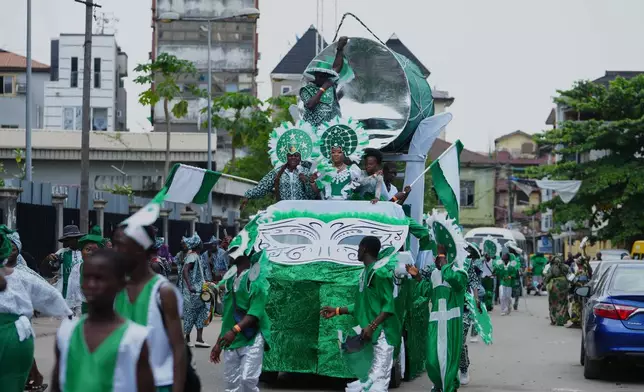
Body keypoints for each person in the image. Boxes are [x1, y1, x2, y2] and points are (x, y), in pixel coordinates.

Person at [52, 249, 155, 392]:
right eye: (86, 277)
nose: (91, 284)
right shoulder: (66, 333)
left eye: (100, 278)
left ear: (121, 284)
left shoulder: (135, 338)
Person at [112, 225, 187, 392]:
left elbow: (178, 347)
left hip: (158, 385)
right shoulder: (117, 289)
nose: (115, 251)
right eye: (114, 244)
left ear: (140, 247)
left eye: (121, 245)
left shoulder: (163, 292)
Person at [321, 236, 399, 392]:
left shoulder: (380, 272)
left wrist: (372, 326)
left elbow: (388, 307)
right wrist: (336, 310)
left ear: (364, 249)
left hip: (383, 334)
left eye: (358, 248)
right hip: (370, 335)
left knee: (377, 382)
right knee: (367, 381)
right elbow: (361, 305)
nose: (357, 251)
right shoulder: (365, 273)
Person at [0, 225, 73, 392]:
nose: (10, 251)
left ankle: (32, 376)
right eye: (7, 247)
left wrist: (67, 316)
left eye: (14, 247)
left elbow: (49, 295)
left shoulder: (23, 274)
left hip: (15, 332)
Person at [406, 245, 468, 392]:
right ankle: (439, 384)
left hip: (451, 324)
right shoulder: (434, 274)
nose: (436, 259)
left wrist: (445, 263)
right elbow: (427, 292)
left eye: (440, 256)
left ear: (448, 258)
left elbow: (452, 279)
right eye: (436, 256)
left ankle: (449, 387)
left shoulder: (459, 274)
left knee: (449, 359)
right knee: (432, 360)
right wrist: (418, 277)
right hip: (435, 322)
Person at [210, 251, 271, 392]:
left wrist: (234, 331)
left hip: (252, 337)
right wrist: (218, 343)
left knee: (247, 379)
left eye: (235, 249)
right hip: (232, 340)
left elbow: (255, 313)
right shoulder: (230, 280)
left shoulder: (257, 280)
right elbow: (229, 315)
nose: (230, 252)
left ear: (246, 253)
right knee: (231, 384)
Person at [300, 36, 348, 127]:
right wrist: (323, 88)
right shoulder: (306, 89)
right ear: (315, 75)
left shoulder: (330, 83)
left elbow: (336, 67)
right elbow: (310, 105)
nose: (322, 77)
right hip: (314, 130)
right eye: (320, 75)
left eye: (326, 75)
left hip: (332, 128)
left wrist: (340, 49)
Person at [241, 152, 316, 209]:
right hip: (283, 210)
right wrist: (248, 195)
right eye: (290, 155)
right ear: (286, 157)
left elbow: (312, 195)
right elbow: (263, 186)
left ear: (300, 157)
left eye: (296, 155)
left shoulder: (306, 172)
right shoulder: (277, 172)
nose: (293, 157)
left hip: (302, 210)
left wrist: (306, 181)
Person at [181, 233, 210, 347]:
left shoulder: (195, 255)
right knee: (190, 314)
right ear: (198, 244)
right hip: (192, 292)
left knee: (201, 313)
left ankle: (199, 339)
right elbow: (185, 271)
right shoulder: (192, 256)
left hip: (199, 291)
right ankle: (187, 339)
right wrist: (189, 286)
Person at [459, 244, 482, 385]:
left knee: (460, 342)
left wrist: (476, 300)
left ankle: (463, 368)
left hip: (464, 308)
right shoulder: (441, 262)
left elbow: (474, 283)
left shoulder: (468, 264)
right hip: (444, 309)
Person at [46, 225, 84, 309]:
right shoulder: (62, 252)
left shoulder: (84, 251)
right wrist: (51, 260)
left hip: (82, 288)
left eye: (73, 238)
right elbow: (52, 267)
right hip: (66, 289)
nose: (69, 242)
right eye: (67, 239)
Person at [543, 256, 571, 326]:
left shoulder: (552, 268)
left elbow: (547, 277)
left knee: (553, 303)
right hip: (564, 285)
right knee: (563, 303)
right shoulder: (566, 267)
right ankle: (561, 320)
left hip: (555, 286)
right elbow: (570, 275)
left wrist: (544, 283)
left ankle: (554, 319)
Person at [568, 254, 592, 328]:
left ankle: (576, 322)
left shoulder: (582, 271)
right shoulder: (584, 269)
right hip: (581, 291)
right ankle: (578, 321)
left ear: (579, 264)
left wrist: (573, 280)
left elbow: (581, 282)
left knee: (576, 307)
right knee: (579, 306)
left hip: (580, 291)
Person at [494, 250, 519, 316]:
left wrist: (510, 277)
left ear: (508, 259)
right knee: (502, 296)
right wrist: (495, 271)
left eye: (505, 259)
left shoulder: (511, 266)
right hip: (502, 283)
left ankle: (509, 306)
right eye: (503, 258)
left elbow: (514, 274)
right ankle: (503, 310)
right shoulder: (500, 265)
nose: (504, 260)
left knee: (508, 297)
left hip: (509, 284)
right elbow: (497, 272)